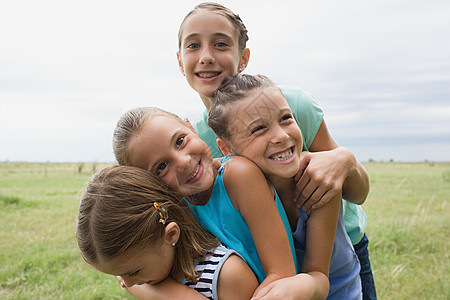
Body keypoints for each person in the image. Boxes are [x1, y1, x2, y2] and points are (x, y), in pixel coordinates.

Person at [176, 3, 376, 299]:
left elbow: (357, 193)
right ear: (180, 61)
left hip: (340, 249)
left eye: (220, 44)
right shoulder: (196, 143)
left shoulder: (292, 103)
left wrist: (344, 159)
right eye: (194, 46)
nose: (206, 56)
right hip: (270, 260)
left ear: (242, 57)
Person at [112, 107, 304, 298]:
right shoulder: (172, 209)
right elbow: (137, 277)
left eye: (180, 141)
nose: (183, 162)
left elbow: (282, 275)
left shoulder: (238, 175)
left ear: (191, 127)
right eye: (161, 167)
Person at [209, 73, 363, 299]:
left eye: (285, 118)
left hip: (338, 291)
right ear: (226, 149)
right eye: (259, 129)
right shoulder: (234, 190)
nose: (281, 135)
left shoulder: (318, 177)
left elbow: (319, 274)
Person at [76, 165, 259, 299]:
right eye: (119, 275)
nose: (127, 283)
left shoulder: (227, 275)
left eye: (135, 271)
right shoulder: (149, 277)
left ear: (171, 235)